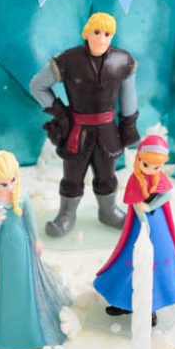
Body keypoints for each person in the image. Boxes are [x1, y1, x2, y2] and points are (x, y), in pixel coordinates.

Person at [29, 12, 139, 237]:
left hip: (108, 132)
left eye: (107, 34)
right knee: (72, 176)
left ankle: (108, 211)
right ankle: (66, 215)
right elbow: (38, 85)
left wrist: (128, 124)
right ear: (87, 32)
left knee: (107, 175)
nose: (101, 38)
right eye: (97, 32)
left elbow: (129, 93)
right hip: (77, 132)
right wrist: (59, 112)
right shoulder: (68, 60)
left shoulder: (122, 61)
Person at [0, 150, 70, 349]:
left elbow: (32, 221)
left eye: (12, 181)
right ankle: (7, 325)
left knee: (25, 279)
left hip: (22, 242)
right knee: (7, 280)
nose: (9, 186)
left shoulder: (22, 196)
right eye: (3, 184)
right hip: (4, 244)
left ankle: (30, 326)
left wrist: (36, 240)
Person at [94, 133, 175, 321]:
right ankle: (123, 301)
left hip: (158, 224)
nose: (151, 170)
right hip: (139, 226)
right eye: (147, 165)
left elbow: (166, 194)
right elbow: (136, 205)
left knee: (157, 258)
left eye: (156, 166)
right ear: (139, 159)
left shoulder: (159, 178)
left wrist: (150, 206)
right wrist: (144, 219)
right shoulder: (135, 179)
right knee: (130, 259)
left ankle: (151, 306)